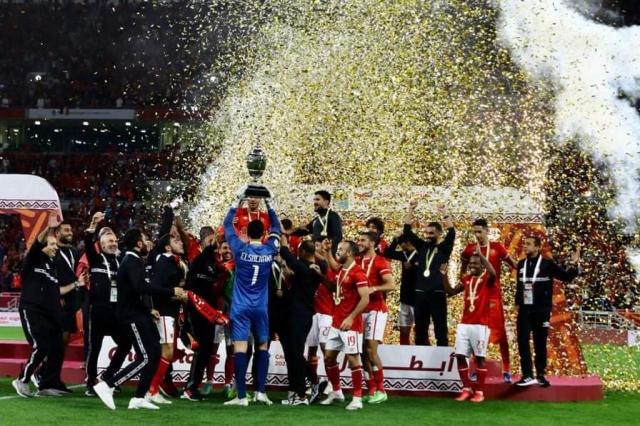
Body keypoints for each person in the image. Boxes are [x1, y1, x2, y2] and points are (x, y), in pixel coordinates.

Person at [93, 229, 187, 411]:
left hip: (140, 314)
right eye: (145, 239)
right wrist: (170, 291)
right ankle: (108, 385)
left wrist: (148, 310)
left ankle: (138, 397)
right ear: (138, 244)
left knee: (154, 354)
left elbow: (135, 291)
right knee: (146, 357)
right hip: (132, 316)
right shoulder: (131, 260)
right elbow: (140, 286)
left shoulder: (134, 260)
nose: (148, 242)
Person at [13, 214, 87, 398]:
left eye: (55, 244)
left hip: (49, 313)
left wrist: (76, 284)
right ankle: (22, 379)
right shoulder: (33, 260)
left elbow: (57, 290)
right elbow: (37, 243)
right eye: (52, 244)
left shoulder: (51, 267)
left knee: (57, 347)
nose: (55, 247)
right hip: (32, 310)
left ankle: (46, 385)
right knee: (41, 346)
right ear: (43, 246)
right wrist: (48, 227)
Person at [222, 187, 281, 407]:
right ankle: (261, 392)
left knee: (240, 348)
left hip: (240, 307)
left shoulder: (239, 249)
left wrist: (237, 200)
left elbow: (227, 225)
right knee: (262, 346)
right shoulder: (270, 250)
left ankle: (241, 396)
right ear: (264, 233)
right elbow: (277, 228)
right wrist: (270, 204)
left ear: (246, 230)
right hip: (260, 308)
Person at [514, 236, 580, 387]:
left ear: (537, 247)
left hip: (541, 310)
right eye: (524, 244)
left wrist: (574, 264)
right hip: (524, 310)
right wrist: (517, 304)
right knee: (522, 341)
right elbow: (519, 286)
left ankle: (541, 375)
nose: (525, 246)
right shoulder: (521, 264)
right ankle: (527, 375)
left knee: (540, 342)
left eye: (528, 244)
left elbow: (566, 277)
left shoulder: (547, 264)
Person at [460, 218, 517, 383]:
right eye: (475, 232)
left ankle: (506, 369)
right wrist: (466, 284)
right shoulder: (469, 249)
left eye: (480, 231)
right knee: (475, 331)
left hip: (493, 295)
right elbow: (463, 272)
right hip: (476, 296)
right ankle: (475, 368)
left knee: (500, 332)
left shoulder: (497, 247)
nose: (477, 235)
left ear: (487, 231)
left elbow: (514, 265)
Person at [83, 212, 132, 397]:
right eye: (109, 241)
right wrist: (93, 224)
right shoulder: (96, 259)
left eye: (114, 241)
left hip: (116, 312)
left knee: (126, 343)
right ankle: (90, 382)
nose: (113, 243)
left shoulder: (121, 261)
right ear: (102, 245)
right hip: (98, 311)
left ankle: (108, 377)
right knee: (94, 348)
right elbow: (88, 242)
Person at [320, 241, 370, 411]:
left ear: (349, 253)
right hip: (336, 322)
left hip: (351, 325)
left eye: (341, 249)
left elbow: (365, 299)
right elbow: (334, 266)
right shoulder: (342, 269)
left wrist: (351, 317)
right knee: (329, 357)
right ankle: (336, 392)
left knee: (353, 360)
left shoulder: (358, 273)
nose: (338, 251)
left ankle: (357, 398)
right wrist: (328, 251)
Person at [444, 247, 497, 403]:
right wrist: (443, 275)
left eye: (475, 263)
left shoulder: (487, 279)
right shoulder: (466, 279)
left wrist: (482, 256)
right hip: (464, 324)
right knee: (460, 356)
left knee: (479, 358)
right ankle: (466, 389)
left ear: (482, 265)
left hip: (480, 325)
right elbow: (451, 292)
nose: (472, 266)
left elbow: (493, 273)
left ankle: (479, 392)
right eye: (471, 264)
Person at [183, 237, 230, 401]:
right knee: (201, 348)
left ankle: (194, 386)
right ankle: (190, 388)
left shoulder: (216, 266)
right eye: (211, 242)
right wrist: (211, 245)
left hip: (209, 313)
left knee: (206, 350)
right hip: (196, 311)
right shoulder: (198, 260)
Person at [402, 201, 455, 346]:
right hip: (420, 293)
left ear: (439, 233)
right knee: (420, 331)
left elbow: (452, 232)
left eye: (431, 233)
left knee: (441, 330)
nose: (428, 236)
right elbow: (407, 230)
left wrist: (444, 212)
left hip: (437, 293)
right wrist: (410, 209)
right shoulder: (422, 246)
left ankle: (442, 357)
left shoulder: (444, 248)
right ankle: (421, 357)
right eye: (426, 233)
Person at [278, 238, 324, 406]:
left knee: (295, 354)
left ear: (303, 252)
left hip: (299, 316)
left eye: (299, 251)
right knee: (292, 353)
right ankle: (300, 389)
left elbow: (284, 252)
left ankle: (303, 392)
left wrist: (283, 235)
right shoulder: (317, 267)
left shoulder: (303, 269)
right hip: (300, 315)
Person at [146, 233, 188, 405]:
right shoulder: (163, 262)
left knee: (167, 352)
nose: (181, 242)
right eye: (176, 241)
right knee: (167, 351)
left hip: (170, 312)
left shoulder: (174, 263)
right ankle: (152, 390)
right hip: (163, 312)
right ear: (168, 247)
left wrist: (179, 294)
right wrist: (173, 293)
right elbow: (154, 287)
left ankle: (153, 389)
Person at [356, 231, 394, 404]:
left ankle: (381, 390)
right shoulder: (356, 261)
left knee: (371, 350)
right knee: (362, 352)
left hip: (376, 310)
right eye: (358, 240)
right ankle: (371, 389)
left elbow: (391, 284)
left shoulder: (380, 261)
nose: (359, 243)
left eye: (363, 240)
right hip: (360, 310)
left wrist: (374, 289)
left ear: (372, 243)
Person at [305, 237, 336, 397]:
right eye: (314, 246)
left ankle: (332, 383)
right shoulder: (308, 266)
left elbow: (333, 287)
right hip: (312, 314)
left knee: (326, 349)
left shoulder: (330, 267)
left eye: (318, 245)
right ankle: (313, 383)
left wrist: (319, 275)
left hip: (326, 313)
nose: (316, 248)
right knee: (311, 350)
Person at [383, 234, 419, 345]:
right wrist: (395, 240)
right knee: (403, 331)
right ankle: (404, 351)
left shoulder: (420, 254)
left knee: (420, 331)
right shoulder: (403, 254)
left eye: (401, 243)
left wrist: (414, 267)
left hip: (417, 298)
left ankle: (422, 351)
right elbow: (388, 253)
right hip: (405, 297)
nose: (400, 246)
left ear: (408, 242)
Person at [291, 190, 343, 255]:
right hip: (317, 255)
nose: (315, 202)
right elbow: (303, 231)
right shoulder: (316, 220)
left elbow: (338, 236)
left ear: (326, 202)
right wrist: (288, 232)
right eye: (314, 200)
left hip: (327, 256)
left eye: (317, 199)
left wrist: (325, 247)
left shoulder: (333, 216)